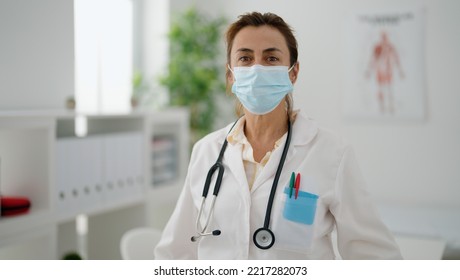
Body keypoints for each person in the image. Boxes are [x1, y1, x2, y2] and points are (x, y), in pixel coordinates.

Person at [154, 12, 402, 259]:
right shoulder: (206, 151)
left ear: (293, 73)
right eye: (245, 58)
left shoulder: (332, 153)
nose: (258, 68)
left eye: (271, 58)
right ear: (230, 75)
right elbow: (175, 252)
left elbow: (373, 256)